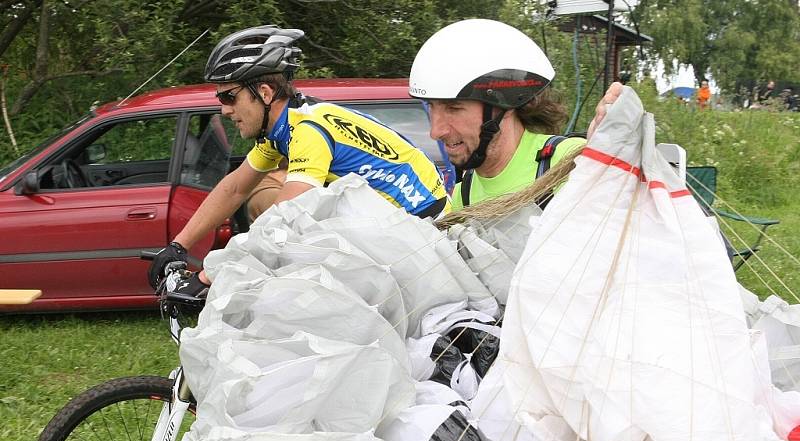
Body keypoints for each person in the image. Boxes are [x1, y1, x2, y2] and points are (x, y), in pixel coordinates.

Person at [148, 25, 448, 292]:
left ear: (264, 93)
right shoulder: (283, 130)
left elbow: (282, 220)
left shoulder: (308, 130)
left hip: (423, 233)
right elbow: (234, 188)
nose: (224, 110)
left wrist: (206, 278)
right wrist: (178, 246)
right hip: (396, 232)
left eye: (229, 97)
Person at [408, 19, 621, 210]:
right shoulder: (465, 193)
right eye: (431, 107)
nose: (435, 132)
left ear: (504, 105)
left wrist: (606, 160)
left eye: (453, 108)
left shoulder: (568, 164)